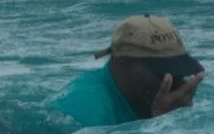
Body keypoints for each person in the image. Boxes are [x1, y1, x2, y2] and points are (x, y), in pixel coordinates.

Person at [51, 15, 204, 128]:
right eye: (160, 70)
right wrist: (160, 124)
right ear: (121, 61)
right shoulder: (84, 116)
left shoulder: (140, 95)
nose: (171, 80)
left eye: (178, 71)